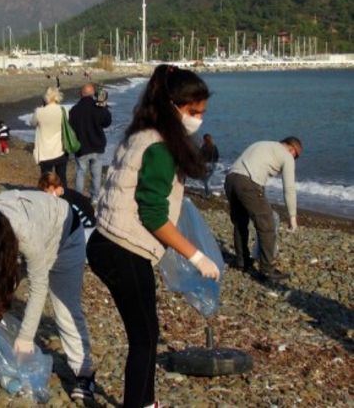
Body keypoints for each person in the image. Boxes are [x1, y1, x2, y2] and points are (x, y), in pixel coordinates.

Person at [87, 64, 219, 408]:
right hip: (123, 248)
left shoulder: (140, 132)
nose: (197, 120)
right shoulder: (160, 146)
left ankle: (146, 402)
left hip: (104, 240)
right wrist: (196, 256)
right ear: (173, 105)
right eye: (193, 112)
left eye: (202, 112)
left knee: (145, 333)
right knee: (144, 338)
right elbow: (153, 216)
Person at [0, 190, 96, 402]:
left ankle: (84, 373)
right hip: (32, 231)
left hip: (65, 235)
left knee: (66, 308)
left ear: (3, 247)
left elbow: (38, 287)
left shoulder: (26, 236)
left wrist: (25, 337)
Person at [224, 137, 301, 281]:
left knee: (240, 224)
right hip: (248, 183)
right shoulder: (287, 156)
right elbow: (289, 188)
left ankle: (242, 262)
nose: (294, 160)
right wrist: (292, 216)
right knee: (267, 225)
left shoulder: (261, 144)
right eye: (295, 156)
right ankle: (267, 269)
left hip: (230, 179)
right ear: (292, 149)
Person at [69, 83, 112, 204]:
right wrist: (104, 107)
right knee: (96, 174)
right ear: (93, 94)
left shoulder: (75, 109)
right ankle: (94, 198)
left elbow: (71, 127)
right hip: (97, 146)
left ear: (81, 94)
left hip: (81, 147)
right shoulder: (98, 107)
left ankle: (78, 197)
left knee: (81, 173)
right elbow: (107, 122)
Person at [38, 172, 95, 242]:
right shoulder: (64, 193)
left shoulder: (64, 201)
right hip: (86, 227)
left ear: (51, 188)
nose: (45, 196)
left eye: (45, 192)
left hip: (86, 230)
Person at [29, 86, 68, 186]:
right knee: (62, 178)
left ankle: (47, 198)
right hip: (60, 149)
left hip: (44, 151)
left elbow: (32, 123)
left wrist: (41, 108)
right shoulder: (63, 110)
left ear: (45, 97)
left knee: (46, 180)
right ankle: (63, 198)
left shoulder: (39, 111)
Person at [200, 133, 220, 198]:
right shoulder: (214, 146)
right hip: (214, 164)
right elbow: (217, 156)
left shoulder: (204, 147)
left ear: (205, 139)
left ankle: (208, 193)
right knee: (207, 179)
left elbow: (201, 156)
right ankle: (208, 192)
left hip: (206, 164)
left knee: (205, 180)